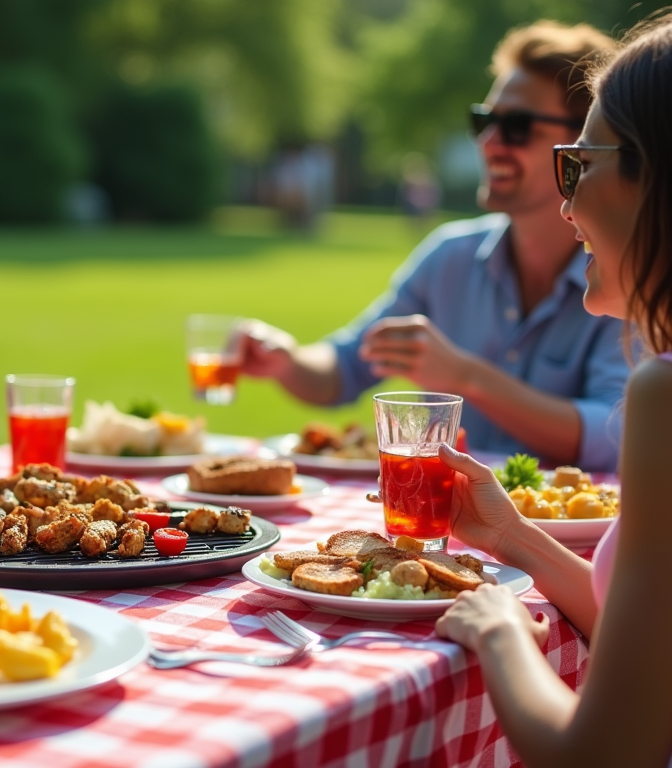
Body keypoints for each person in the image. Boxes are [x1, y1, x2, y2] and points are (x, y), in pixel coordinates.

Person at [433, 14, 672, 766]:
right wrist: (511, 540)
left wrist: (498, 628)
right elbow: (650, 641)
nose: (565, 205)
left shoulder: (662, 397)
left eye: (577, 167)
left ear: (654, 178)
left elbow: (603, 752)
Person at [240, 21, 628, 471]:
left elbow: (616, 436)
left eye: (516, 126)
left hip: (560, 533)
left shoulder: (619, 274)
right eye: (484, 121)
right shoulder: (449, 257)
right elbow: (346, 367)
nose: (488, 143)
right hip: (445, 523)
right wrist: (285, 359)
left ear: (581, 146)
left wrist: (467, 378)